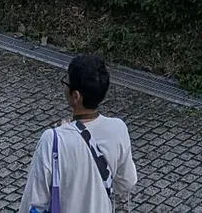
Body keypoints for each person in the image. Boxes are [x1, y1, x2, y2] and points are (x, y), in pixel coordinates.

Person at [18, 54, 137, 213]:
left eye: (66, 83)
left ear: (76, 96)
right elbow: (126, 183)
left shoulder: (53, 139)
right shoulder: (118, 129)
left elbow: (33, 201)